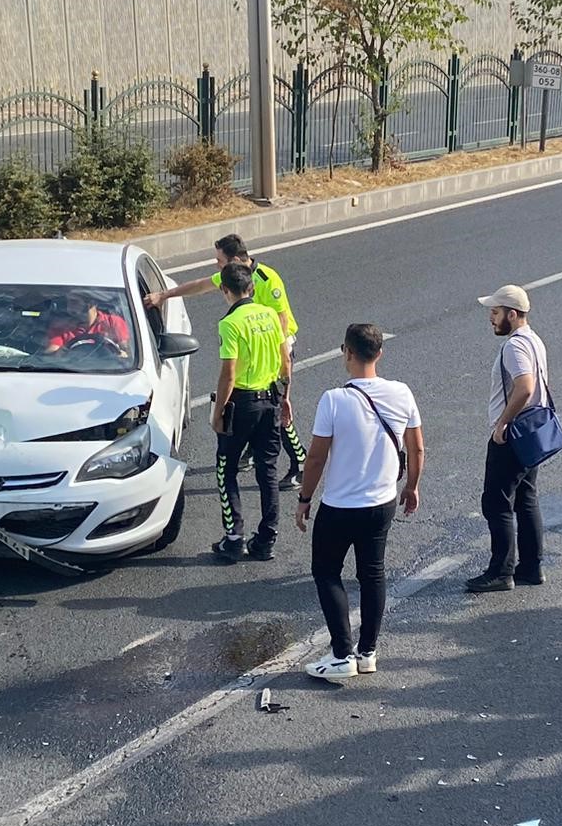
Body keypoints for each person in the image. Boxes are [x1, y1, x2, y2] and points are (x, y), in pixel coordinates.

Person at [294, 323, 423, 683]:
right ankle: (367, 653)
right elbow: (416, 448)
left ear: (346, 353)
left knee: (326, 572)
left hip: (339, 507)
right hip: (382, 503)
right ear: (379, 353)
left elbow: (316, 458)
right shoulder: (401, 394)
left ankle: (340, 654)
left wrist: (304, 499)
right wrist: (411, 487)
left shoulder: (334, 400)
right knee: (372, 574)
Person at [145, 233, 308, 489]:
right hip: (249, 349)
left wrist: (281, 363)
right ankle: (253, 450)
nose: (216, 266)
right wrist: (164, 295)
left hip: (273, 351)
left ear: (233, 259)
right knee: (251, 407)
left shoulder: (267, 279)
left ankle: (299, 461)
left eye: (219, 260)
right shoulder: (232, 275)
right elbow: (200, 285)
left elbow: (282, 323)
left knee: (275, 408)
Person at [466, 284, 549, 594]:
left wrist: (502, 422)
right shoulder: (534, 340)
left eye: (496, 312)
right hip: (532, 433)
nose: (491, 317)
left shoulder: (514, 346)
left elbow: (525, 387)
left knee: (496, 502)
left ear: (512, 315)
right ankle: (531, 566)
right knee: (526, 499)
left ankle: (501, 572)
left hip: (513, 434)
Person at [211, 262, 291, 563]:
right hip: (271, 398)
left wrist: (219, 411)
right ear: (253, 288)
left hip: (241, 403)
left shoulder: (229, 324)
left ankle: (234, 538)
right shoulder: (270, 315)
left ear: (225, 290)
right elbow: (285, 361)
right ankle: (267, 539)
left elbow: (228, 374)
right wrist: (285, 397)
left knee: (226, 468)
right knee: (267, 472)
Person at [45, 289, 130, 352]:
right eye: (68, 302)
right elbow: (51, 353)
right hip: (71, 370)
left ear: (91, 303)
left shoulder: (113, 322)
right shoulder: (62, 327)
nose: (69, 307)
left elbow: (126, 352)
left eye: (74, 302)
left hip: (111, 371)